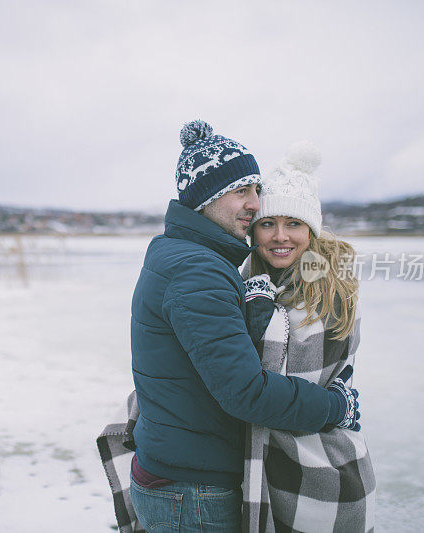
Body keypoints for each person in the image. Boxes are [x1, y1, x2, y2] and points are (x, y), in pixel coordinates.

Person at [97, 120, 361, 533]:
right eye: (242, 191)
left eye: (257, 190)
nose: (255, 204)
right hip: (192, 487)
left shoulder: (183, 254)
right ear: (207, 197)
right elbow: (246, 392)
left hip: (181, 471)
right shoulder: (199, 270)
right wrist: (335, 407)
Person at [240, 141, 376, 532]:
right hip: (265, 474)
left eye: (294, 224)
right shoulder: (251, 283)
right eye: (267, 224)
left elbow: (272, 386)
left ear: (311, 230)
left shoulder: (332, 292)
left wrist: (258, 313)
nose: (279, 236)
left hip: (323, 476)